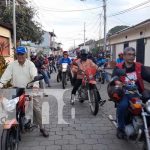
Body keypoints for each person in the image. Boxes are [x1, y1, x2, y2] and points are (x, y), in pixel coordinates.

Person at [0, 46, 49, 137]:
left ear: (25, 55)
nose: (20, 56)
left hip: (30, 89)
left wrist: (35, 86)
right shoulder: (12, 65)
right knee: (9, 105)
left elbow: (34, 76)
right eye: (18, 54)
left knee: (37, 108)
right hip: (16, 89)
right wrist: (1, 84)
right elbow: (5, 77)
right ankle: (14, 122)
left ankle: (42, 127)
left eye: (22, 54)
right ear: (16, 55)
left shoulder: (30, 64)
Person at [112, 47, 150, 139]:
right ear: (124, 56)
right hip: (125, 92)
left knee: (148, 107)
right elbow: (114, 77)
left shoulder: (139, 66)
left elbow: (148, 76)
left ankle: (146, 128)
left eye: (133, 54)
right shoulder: (119, 67)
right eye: (129, 54)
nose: (131, 56)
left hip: (139, 92)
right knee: (122, 106)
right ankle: (120, 128)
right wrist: (117, 82)